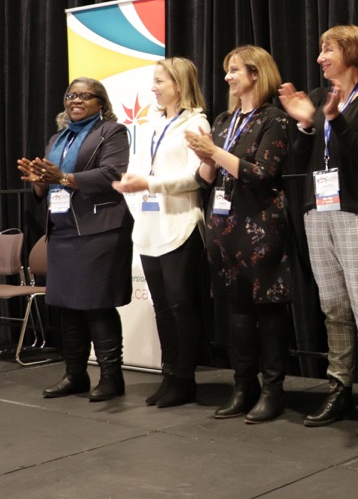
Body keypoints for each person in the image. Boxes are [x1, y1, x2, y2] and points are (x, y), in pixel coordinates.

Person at [279, 25, 358, 437]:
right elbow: (299, 157)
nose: (320, 57)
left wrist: (335, 119)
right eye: (321, 49)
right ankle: (339, 385)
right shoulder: (313, 97)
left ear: (350, 51)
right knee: (333, 306)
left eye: (327, 49)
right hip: (318, 212)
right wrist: (307, 125)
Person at [186, 45, 293, 424]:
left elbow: (262, 172)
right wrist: (205, 157)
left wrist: (215, 151)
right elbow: (206, 178)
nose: (228, 78)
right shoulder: (221, 119)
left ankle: (273, 390)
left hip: (261, 223)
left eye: (235, 71)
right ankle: (243, 386)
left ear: (255, 74)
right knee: (238, 311)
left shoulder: (275, 120)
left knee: (269, 308)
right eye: (227, 71)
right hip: (224, 225)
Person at [18, 78, 133, 402]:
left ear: (101, 103)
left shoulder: (111, 132)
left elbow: (113, 174)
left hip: (100, 230)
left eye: (85, 95)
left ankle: (111, 379)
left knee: (97, 305)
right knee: (67, 307)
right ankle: (75, 375)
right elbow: (48, 185)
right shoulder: (58, 138)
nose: (76, 100)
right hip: (64, 230)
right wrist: (39, 181)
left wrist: (64, 177)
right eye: (71, 94)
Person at [112, 57, 209, 408]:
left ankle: (185, 378)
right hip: (151, 228)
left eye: (159, 81)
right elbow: (142, 169)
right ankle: (170, 374)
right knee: (163, 308)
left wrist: (149, 182)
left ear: (179, 85)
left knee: (182, 305)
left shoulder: (196, 123)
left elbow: (194, 177)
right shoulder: (153, 124)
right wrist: (132, 184)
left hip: (180, 226)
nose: (153, 87)